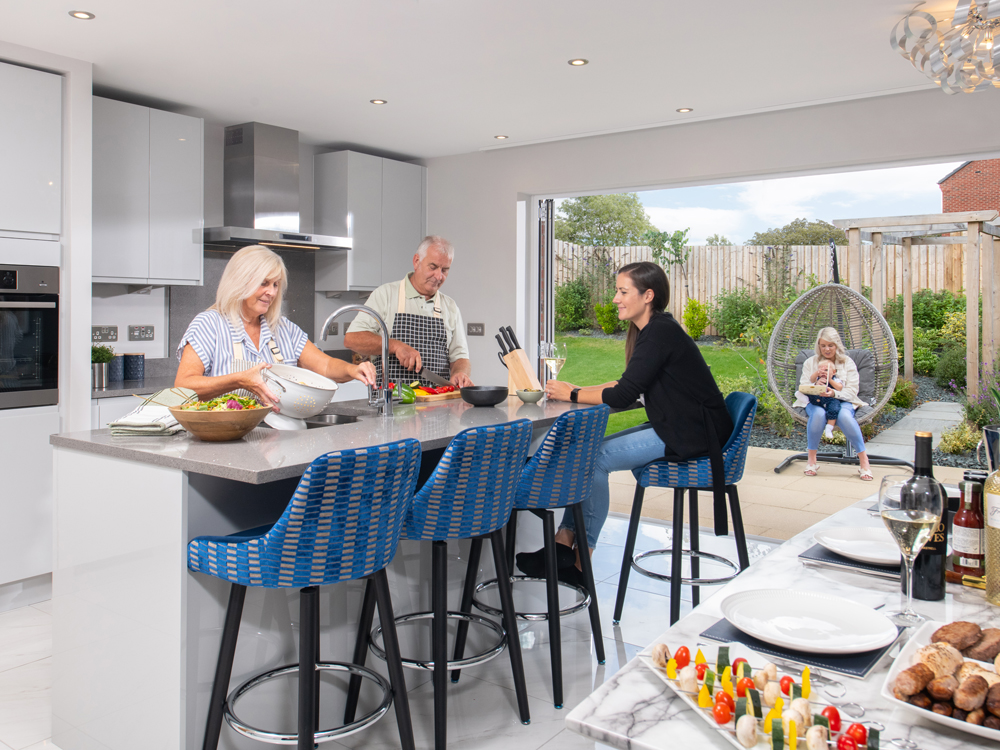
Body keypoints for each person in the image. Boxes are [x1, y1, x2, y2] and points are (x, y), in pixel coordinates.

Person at [524, 261, 733, 585]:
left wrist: (574, 393)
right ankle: (562, 543)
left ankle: (582, 563)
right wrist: (575, 390)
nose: (615, 299)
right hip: (678, 425)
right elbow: (628, 384)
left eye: (623, 291)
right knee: (588, 452)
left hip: (692, 433)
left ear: (647, 295)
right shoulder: (653, 331)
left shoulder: (658, 333)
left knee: (594, 459)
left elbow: (623, 395)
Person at [175, 245, 375, 407]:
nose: (271, 292)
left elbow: (324, 365)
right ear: (239, 282)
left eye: (275, 284)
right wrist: (238, 380)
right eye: (264, 283)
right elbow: (183, 386)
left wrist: (353, 370)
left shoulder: (283, 328)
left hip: (280, 434)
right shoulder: (208, 325)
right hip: (227, 438)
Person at [344, 236, 473, 390]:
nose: (439, 276)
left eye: (445, 270)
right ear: (416, 261)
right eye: (433, 267)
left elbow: (460, 357)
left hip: (439, 404)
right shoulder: (385, 294)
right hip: (392, 405)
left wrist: (460, 373)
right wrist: (395, 346)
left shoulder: (450, 306)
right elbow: (352, 339)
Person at [793, 327, 872, 480]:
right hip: (816, 400)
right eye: (823, 346)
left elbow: (852, 391)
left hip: (842, 401)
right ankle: (812, 461)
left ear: (837, 345)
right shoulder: (811, 362)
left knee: (844, 416)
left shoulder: (847, 363)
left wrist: (833, 393)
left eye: (830, 345)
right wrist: (817, 387)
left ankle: (864, 461)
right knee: (818, 414)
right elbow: (803, 385)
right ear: (818, 346)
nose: (827, 349)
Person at [806, 360, 842, 440]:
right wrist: (817, 378)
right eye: (821, 370)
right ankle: (803, 398)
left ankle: (829, 428)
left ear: (834, 372)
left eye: (826, 370)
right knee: (810, 392)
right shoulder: (819, 378)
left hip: (831, 399)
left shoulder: (835, 379)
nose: (824, 373)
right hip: (819, 399)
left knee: (835, 408)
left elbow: (839, 388)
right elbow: (811, 379)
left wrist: (830, 380)